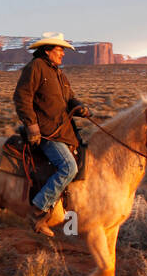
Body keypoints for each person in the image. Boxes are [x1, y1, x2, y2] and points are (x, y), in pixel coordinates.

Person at [13, 32, 90, 235]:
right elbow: (22, 96)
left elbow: (69, 98)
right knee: (68, 167)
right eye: (60, 50)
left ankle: (69, 216)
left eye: (63, 50)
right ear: (47, 50)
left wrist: (79, 106)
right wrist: (32, 126)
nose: (63, 54)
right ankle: (38, 209)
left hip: (64, 131)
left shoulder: (58, 73)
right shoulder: (36, 67)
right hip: (47, 133)